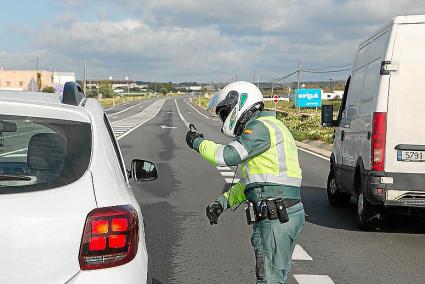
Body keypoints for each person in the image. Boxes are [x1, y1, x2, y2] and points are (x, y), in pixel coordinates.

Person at [186, 81, 305, 283]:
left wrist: (198, 142)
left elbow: (228, 155)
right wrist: (222, 203)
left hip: (275, 216)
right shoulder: (272, 126)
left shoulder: (259, 128)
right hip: (282, 212)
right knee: (274, 277)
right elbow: (253, 183)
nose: (223, 118)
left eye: (225, 112)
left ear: (239, 103)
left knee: (269, 279)